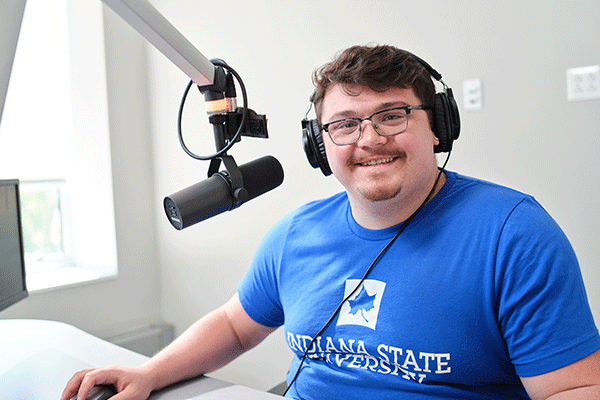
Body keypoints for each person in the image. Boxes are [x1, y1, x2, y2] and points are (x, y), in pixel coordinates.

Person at [61, 44, 600, 400]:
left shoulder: (514, 234)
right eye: (344, 124)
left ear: (437, 127)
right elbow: (232, 325)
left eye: (392, 115)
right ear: (320, 147)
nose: (368, 139)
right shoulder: (297, 234)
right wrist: (150, 372)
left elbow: (573, 390)